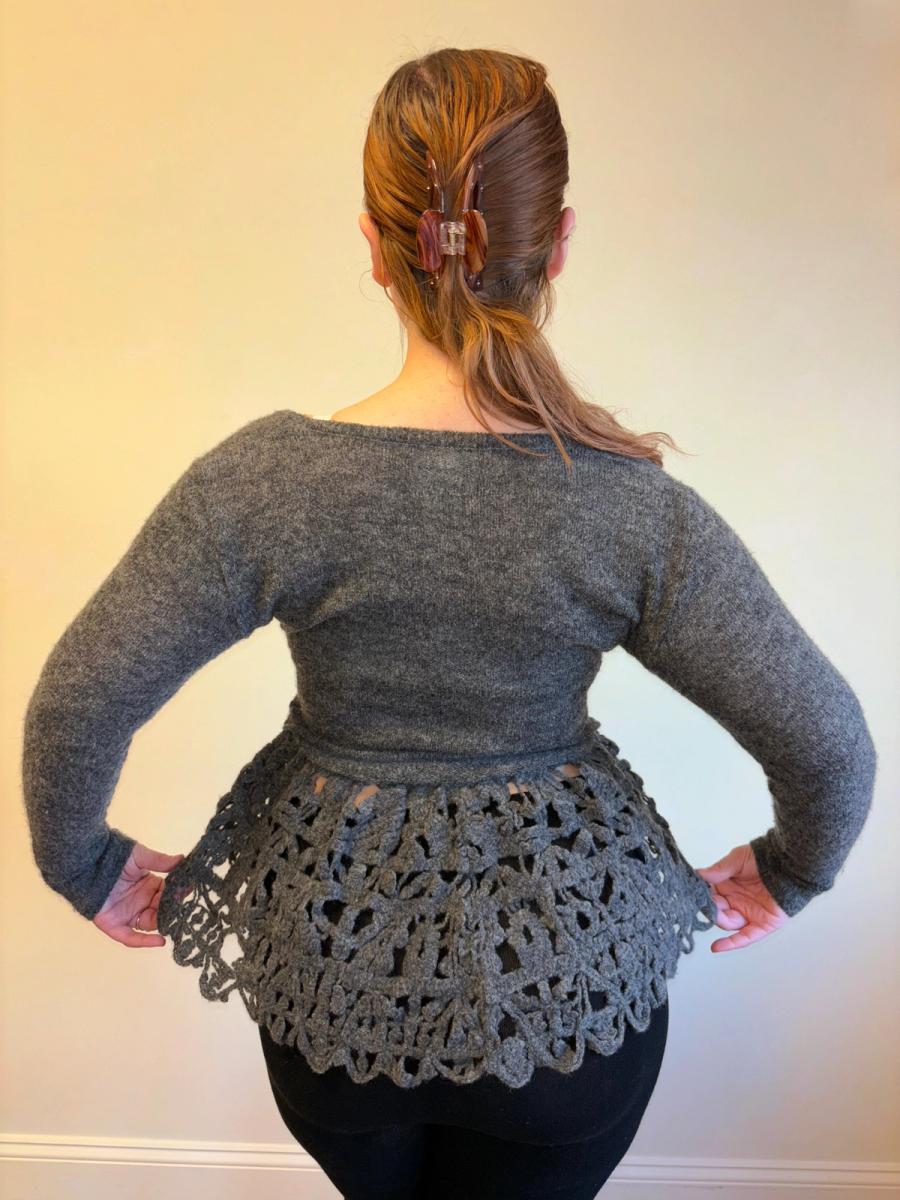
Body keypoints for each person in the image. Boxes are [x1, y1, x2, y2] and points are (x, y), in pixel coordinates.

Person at [21, 48, 877, 1200]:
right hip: (563, 1001)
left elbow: (77, 701)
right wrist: (791, 872)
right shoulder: (626, 507)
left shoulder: (266, 482)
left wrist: (85, 865)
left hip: (338, 986)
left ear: (376, 248)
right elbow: (829, 745)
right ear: (556, 244)